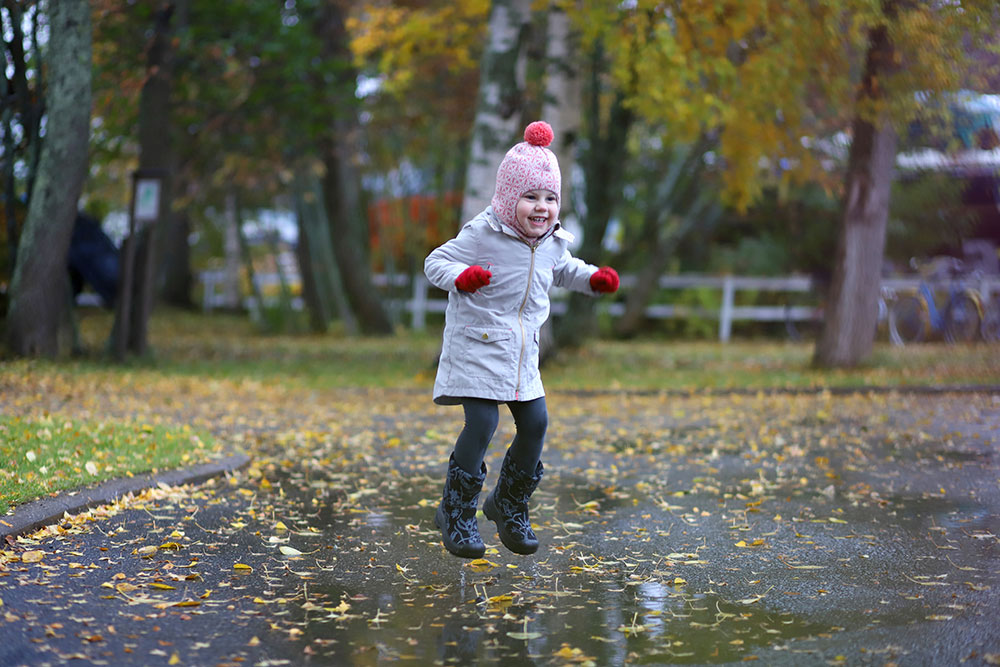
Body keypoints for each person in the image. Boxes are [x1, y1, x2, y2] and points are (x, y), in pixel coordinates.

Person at [424, 121, 620, 559]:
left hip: (520, 355)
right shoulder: (482, 233)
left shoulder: (551, 243)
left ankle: (507, 502)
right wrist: (464, 277)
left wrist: (595, 280)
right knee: (483, 424)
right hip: (476, 348)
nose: (541, 207)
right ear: (508, 198)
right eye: (531, 197)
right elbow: (435, 262)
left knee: (536, 424)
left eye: (550, 198)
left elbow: (566, 269)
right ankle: (456, 512)